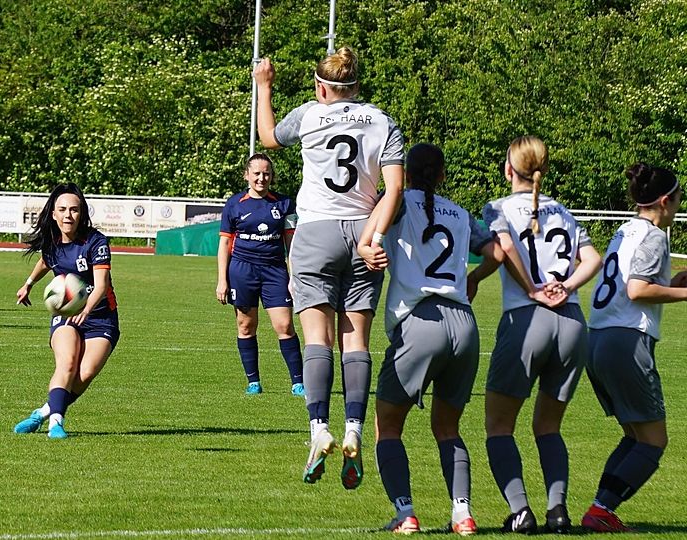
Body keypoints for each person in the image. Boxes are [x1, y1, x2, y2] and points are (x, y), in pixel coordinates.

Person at [254, 46, 404, 490]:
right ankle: (355, 428)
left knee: (316, 338)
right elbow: (394, 188)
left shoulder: (308, 115)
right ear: (357, 87)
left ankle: (320, 429)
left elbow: (267, 137)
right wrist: (372, 236)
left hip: (316, 231)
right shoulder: (383, 121)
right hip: (363, 232)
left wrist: (264, 87)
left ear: (322, 87)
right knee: (355, 339)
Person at [356, 143, 507, 534]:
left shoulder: (398, 202)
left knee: (387, 426)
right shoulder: (458, 213)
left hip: (420, 320)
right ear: (442, 175)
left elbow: (369, 237)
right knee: (448, 428)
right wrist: (474, 278)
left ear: (404, 172)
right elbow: (497, 252)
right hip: (464, 324)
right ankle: (463, 514)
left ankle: (405, 513)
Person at [482, 135, 602, 533]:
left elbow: (504, 248)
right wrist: (566, 287)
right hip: (571, 323)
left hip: (527, 319)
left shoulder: (498, 208)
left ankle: (520, 511)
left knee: (500, 426)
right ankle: (558, 511)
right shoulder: (564, 211)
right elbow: (593, 259)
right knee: (549, 426)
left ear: (508, 169)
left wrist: (532, 288)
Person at [581, 164, 685, 533]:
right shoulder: (654, 235)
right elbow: (637, 290)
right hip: (626, 341)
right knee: (654, 442)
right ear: (663, 200)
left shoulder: (626, 229)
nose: (678, 204)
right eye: (677, 197)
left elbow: (632, 285)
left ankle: (601, 509)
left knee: (634, 436)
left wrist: (674, 283)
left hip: (598, 338)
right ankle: (600, 509)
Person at [13, 182, 120, 439]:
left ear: (81, 213)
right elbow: (45, 261)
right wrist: (28, 284)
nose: (68, 215)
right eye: (62, 209)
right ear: (54, 214)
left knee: (84, 375)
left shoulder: (96, 241)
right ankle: (56, 423)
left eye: (74, 209)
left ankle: (43, 413)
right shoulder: (52, 243)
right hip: (65, 314)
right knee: (68, 362)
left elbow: (101, 284)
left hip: (101, 316)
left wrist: (87, 309)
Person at [216, 153, 304, 396]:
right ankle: (253, 381)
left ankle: (298, 383)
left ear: (272, 176)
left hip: (275, 271)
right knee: (245, 325)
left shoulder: (284, 204)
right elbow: (224, 245)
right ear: (247, 175)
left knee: (284, 325)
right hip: (242, 271)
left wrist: (294, 278)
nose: (261, 178)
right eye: (256, 173)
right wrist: (222, 280)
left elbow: (291, 245)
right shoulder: (234, 204)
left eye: (266, 173)